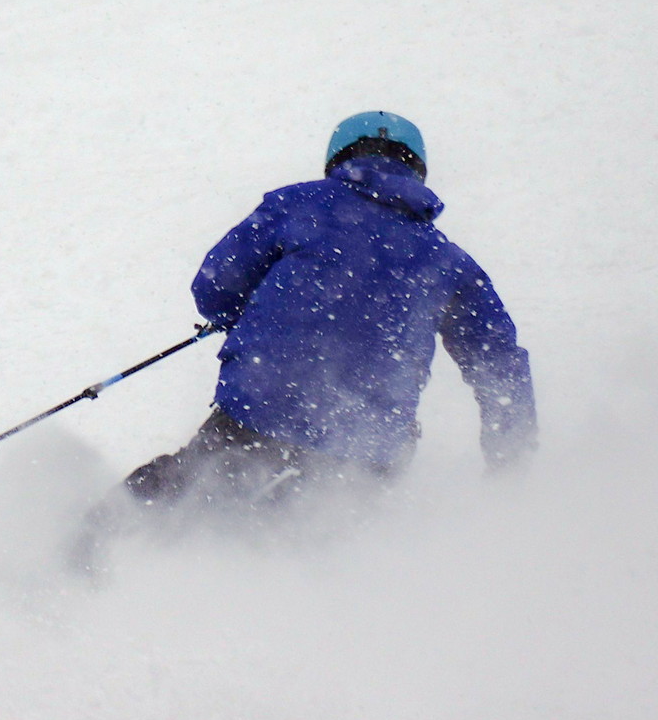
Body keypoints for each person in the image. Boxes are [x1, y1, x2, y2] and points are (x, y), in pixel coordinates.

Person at [114, 111, 536, 533]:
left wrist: (238, 314)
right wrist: (509, 462)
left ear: (337, 159)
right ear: (417, 170)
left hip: (264, 409)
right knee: (325, 551)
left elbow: (214, 286)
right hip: (368, 451)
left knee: (179, 498)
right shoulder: (448, 261)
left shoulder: (296, 205)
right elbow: (499, 364)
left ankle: (86, 564)